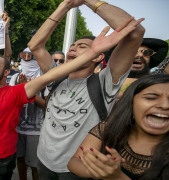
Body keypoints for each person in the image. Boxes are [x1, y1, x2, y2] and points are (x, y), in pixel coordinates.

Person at [0, 16, 143, 179]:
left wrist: (93, 52)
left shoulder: (18, 91)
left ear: (6, 72)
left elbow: (57, 71)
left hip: (2, 158)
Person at [27, 0, 145, 179]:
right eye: (73, 45)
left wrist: (88, 1)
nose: (73, 47)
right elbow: (35, 45)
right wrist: (65, 5)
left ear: (98, 56)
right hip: (43, 160)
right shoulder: (56, 76)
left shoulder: (104, 83)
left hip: (78, 168)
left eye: (82, 46)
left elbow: (135, 32)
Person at [68, 74, 169, 179]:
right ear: (131, 103)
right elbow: (74, 161)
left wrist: (117, 177)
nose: (165, 105)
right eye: (151, 98)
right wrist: (96, 171)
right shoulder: (107, 128)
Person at [9, 48, 47, 180]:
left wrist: (27, 89)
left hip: (37, 131)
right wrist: (18, 89)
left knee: (35, 165)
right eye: (23, 55)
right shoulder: (14, 77)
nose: (25, 59)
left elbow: (47, 106)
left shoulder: (44, 79)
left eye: (29, 56)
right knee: (20, 161)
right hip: (17, 129)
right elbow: (10, 102)